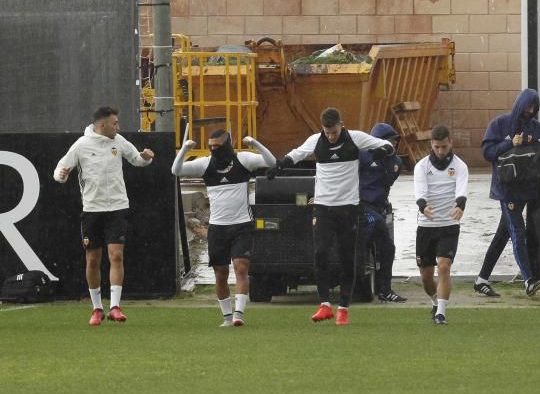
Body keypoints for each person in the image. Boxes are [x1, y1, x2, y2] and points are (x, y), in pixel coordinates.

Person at [270, 107, 394, 325]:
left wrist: (382, 151)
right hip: (323, 207)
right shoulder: (316, 141)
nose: (331, 136)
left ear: (341, 124)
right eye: (327, 132)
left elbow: (387, 146)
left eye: (334, 132)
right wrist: (279, 166)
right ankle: (325, 305)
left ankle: (343, 308)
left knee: (348, 258)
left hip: (348, 207)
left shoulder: (355, 138)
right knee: (320, 252)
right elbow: (297, 153)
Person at [53, 106, 154, 326]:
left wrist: (146, 158)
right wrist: (60, 175)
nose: (118, 126)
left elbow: (137, 159)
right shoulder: (81, 145)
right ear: (102, 125)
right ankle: (97, 308)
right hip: (92, 210)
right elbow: (61, 167)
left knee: (116, 255)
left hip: (117, 208)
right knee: (92, 260)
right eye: (115, 123)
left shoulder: (119, 141)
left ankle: (115, 307)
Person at [172, 130, 276, 326]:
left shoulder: (243, 160)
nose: (214, 150)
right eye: (211, 146)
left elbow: (271, 161)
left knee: (241, 267)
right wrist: (185, 149)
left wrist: (255, 142)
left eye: (218, 146)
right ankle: (227, 317)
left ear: (228, 144)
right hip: (218, 228)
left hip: (242, 224)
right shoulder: (205, 164)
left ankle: (239, 314)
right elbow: (175, 170)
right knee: (221, 273)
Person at [478, 88, 540, 297]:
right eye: (527, 106)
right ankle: (529, 280)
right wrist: (510, 143)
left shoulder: (537, 128)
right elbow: (487, 153)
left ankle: (481, 279)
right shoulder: (500, 124)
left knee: (504, 234)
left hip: (527, 189)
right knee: (518, 231)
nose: (529, 111)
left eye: (533, 107)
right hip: (506, 190)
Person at [414, 125, 469, 325]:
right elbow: (420, 191)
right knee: (426, 277)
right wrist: (423, 207)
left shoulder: (460, 166)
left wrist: (460, 205)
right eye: (436, 147)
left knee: (444, 267)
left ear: (450, 143)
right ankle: (435, 301)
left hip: (448, 225)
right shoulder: (421, 166)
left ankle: (441, 313)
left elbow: (461, 189)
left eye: (444, 147)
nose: (440, 151)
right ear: (431, 144)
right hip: (426, 226)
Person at [358, 123, 406, 303]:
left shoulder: (396, 162)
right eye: (389, 141)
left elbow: (387, 180)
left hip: (378, 206)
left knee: (387, 247)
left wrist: (385, 158)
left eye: (394, 141)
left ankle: (384, 289)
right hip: (361, 205)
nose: (392, 145)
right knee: (371, 231)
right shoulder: (362, 155)